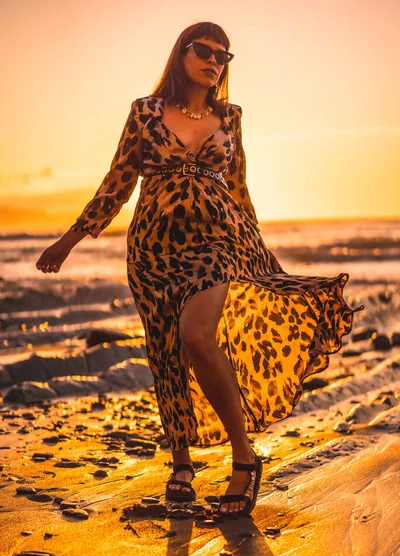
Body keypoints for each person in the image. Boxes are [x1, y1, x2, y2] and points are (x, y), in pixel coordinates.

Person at [36, 21, 364, 518]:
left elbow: (240, 191)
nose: (214, 61)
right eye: (204, 50)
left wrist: (260, 256)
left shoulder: (229, 118)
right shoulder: (144, 113)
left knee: (196, 337)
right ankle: (182, 463)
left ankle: (243, 455)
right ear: (181, 54)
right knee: (166, 351)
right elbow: (118, 182)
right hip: (153, 250)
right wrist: (69, 239)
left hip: (217, 242)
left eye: (223, 56)